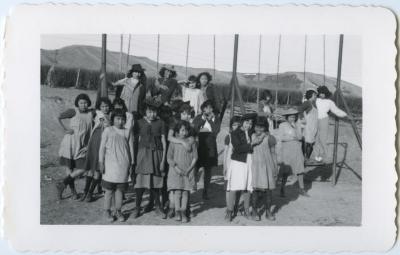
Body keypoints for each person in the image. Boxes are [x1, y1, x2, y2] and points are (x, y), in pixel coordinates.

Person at [99, 109, 135, 222]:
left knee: (120, 191)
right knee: (109, 190)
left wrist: (132, 163)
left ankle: (118, 211)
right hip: (110, 165)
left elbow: (131, 149)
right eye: (118, 119)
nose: (120, 121)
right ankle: (107, 211)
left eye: (122, 119)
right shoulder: (107, 130)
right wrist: (101, 162)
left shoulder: (127, 131)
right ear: (112, 119)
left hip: (123, 165)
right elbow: (102, 148)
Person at [56, 93, 94, 200]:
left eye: (85, 103)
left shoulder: (91, 113)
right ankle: (73, 192)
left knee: (84, 167)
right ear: (77, 103)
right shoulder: (73, 111)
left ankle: (62, 184)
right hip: (70, 143)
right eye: (81, 103)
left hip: (83, 145)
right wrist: (65, 129)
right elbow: (58, 117)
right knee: (69, 168)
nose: (83, 105)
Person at [225, 113, 262, 222]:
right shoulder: (235, 133)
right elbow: (238, 148)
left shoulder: (252, 132)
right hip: (237, 162)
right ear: (242, 122)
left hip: (249, 162)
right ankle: (229, 211)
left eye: (251, 123)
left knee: (247, 187)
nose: (249, 125)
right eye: (246, 123)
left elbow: (263, 133)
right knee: (234, 187)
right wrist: (252, 144)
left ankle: (246, 210)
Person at [134, 101, 167, 218]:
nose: (152, 114)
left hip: (157, 154)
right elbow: (135, 140)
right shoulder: (139, 123)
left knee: (156, 182)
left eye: (154, 111)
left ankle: (158, 207)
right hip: (143, 154)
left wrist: (163, 160)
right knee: (140, 182)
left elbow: (163, 141)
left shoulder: (161, 123)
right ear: (145, 112)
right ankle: (137, 208)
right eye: (149, 112)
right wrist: (135, 158)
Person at [81, 97, 112, 202]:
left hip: (102, 141)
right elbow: (104, 124)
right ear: (99, 107)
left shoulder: (109, 115)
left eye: (107, 106)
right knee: (95, 168)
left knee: (96, 169)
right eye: (103, 106)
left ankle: (88, 192)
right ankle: (87, 193)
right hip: (97, 141)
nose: (105, 108)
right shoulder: (100, 115)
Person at [167, 121, 198, 223]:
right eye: (182, 130)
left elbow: (195, 157)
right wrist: (176, 168)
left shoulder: (191, 142)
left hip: (187, 171)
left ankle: (184, 211)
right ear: (177, 131)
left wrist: (189, 169)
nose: (184, 133)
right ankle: (177, 212)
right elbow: (169, 157)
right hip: (176, 171)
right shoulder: (173, 142)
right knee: (177, 191)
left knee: (185, 191)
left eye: (186, 130)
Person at [277, 108, 309, 198]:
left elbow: (299, 137)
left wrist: (298, 128)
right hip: (287, 150)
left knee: (300, 169)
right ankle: (282, 189)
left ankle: (302, 189)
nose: (293, 118)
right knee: (286, 170)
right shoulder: (282, 125)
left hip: (297, 149)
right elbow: (281, 138)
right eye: (291, 117)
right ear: (287, 117)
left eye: (294, 117)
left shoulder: (296, 125)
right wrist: (291, 138)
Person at [192, 100, 221, 200]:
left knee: (208, 170)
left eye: (210, 108)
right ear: (203, 108)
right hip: (199, 145)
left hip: (211, 146)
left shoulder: (216, 119)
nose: (208, 110)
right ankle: (194, 183)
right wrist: (203, 120)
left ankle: (205, 190)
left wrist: (209, 120)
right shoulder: (198, 117)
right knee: (196, 166)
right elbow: (194, 129)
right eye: (206, 107)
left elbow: (216, 131)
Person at [251, 116, 278, 221]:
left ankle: (268, 211)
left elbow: (273, 153)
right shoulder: (251, 136)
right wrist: (261, 136)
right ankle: (254, 211)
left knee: (268, 191)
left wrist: (275, 167)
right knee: (255, 191)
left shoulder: (270, 138)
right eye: (257, 127)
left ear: (265, 127)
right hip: (255, 167)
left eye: (262, 127)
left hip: (267, 166)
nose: (259, 129)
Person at [314, 86, 347, 162]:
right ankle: (316, 155)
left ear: (326, 94)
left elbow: (336, 110)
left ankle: (323, 154)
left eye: (323, 94)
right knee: (316, 138)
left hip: (324, 119)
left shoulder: (329, 102)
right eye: (320, 93)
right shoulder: (316, 100)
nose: (321, 95)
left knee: (322, 138)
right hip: (315, 119)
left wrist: (345, 115)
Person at [223, 116, 241, 213]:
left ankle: (236, 205)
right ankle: (228, 206)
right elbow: (226, 152)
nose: (236, 127)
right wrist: (225, 166)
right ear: (231, 126)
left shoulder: (244, 137)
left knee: (238, 187)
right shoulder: (228, 137)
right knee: (228, 187)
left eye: (238, 125)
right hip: (230, 165)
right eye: (234, 125)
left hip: (240, 165)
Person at [297, 88, 319, 160]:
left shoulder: (314, 104)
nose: (315, 96)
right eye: (314, 95)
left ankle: (305, 158)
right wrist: (302, 118)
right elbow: (300, 109)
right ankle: (305, 158)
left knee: (311, 143)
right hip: (308, 127)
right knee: (308, 143)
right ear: (311, 95)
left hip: (314, 127)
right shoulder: (307, 103)